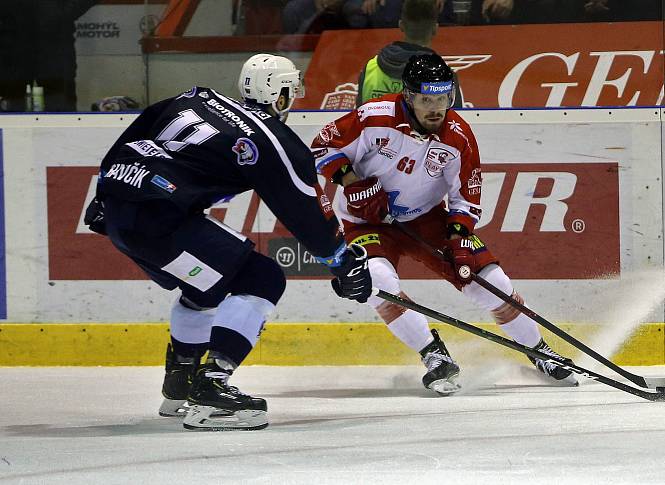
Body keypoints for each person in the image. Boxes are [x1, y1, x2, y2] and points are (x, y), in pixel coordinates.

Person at [83, 54, 372, 430]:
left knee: (205, 286)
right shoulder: (271, 138)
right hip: (159, 215)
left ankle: (180, 384)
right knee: (262, 278)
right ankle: (211, 386)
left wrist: (105, 191)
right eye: (291, 91)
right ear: (281, 96)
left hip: (122, 210)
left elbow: (135, 134)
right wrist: (341, 260)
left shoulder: (194, 97)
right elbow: (304, 209)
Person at [311, 54, 577, 395]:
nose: (436, 107)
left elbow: (466, 199)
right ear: (408, 95)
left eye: (443, 98)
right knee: (377, 282)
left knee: (488, 279)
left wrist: (459, 238)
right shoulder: (373, 117)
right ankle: (433, 354)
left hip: (425, 217)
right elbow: (320, 147)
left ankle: (540, 351)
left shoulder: (458, 137)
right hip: (365, 221)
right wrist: (350, 182)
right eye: (426, 99)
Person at [356, 0, 462, 107]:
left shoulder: (370, 69)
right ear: (435, 29)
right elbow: (455, 122)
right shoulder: (445, 77)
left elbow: (357, 118)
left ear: (401, 25)